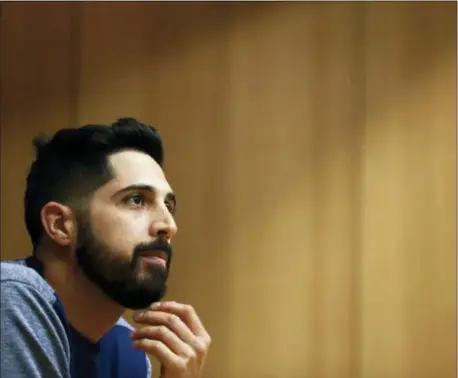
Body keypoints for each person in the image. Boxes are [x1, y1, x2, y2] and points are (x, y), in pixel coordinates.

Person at [0, 118, 211, 378]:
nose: (169, 225)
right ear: (61, 225)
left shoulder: (129, 350)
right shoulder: (12, 295)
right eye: (136, 200)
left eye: (169, 206)